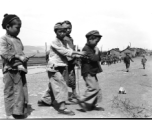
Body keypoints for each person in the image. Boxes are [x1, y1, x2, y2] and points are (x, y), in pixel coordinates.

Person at [38, 22, 85, 116]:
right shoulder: (54, 42)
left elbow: (70, 51)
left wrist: (80, 55)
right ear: (56, 32)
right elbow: (64, 52)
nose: (62, 33)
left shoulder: (65, 42)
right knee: (61, 85)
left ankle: (45, 100)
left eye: (64, 31)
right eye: (60, 31)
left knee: (53, 85)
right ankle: (62, 108)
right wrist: (78, 53)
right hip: (54, 67)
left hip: (62, 66)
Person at [0, 14, 29, 119]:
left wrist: (24, 58)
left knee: (20, 91)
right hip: (10, 70)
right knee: (10, 91)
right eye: (17, 27)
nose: (19, 30)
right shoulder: (3, 39)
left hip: (20, 69)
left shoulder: (18, 40)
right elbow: (4, 53)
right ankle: (9, 113)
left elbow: (21, 52)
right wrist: (19, 57)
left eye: (20, 28)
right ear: (8, 27)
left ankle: (17, 112)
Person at [77, 30, 104, 112]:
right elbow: (94, 58)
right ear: (90, 39)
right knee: (93, 88)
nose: (97, 43)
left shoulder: (92, 48)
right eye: (96, 41)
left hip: (92, 71)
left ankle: (93, 104)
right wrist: (96, 51)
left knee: (97, 88)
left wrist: (97, 52)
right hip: (88, 71)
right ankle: (83, 101)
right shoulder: (86, 48)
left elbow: (99, 58)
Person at [62, 20, 79, 100]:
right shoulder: (63, 38)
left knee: (72, 77)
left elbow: (72, 49)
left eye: (69, 28)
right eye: (66, 28)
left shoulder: (70, 38)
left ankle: (74, 92)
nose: (68, 30)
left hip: (71, 60)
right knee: (64, 78)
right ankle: (64, 94)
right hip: (65, 60)